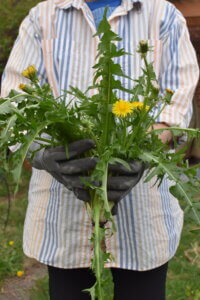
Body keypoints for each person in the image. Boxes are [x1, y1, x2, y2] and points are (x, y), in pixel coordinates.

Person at [1, 0, 199, 299]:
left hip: (143, 213)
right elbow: (13, 100)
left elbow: (175, 105)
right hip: (63, 212)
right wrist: (43, 153)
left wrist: (136, 151)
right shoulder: (41, 17)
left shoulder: (163, 14)